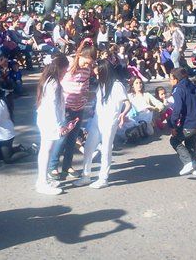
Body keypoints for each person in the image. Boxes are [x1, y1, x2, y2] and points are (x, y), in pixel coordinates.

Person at [74, 60, 130, 189]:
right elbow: (96, 97)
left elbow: (127, 103)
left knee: (106, 149)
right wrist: (84, 94)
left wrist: (123, 114)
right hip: (97, 120)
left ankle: (103, 178)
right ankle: (86, 176)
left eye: (99, 73)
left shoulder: (117, 86)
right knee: (88, 147)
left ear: (105, 71)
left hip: (110, 121)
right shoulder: (102, 84)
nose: (97, 76)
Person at [48, 40, 96, 181]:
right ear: (80, 56)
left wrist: (86, 95)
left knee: (73, 138)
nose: (87, 66)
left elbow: (85, 85)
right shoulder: (68, 63)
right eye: (86, 62)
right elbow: (56, 79)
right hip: (65, 107)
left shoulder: (87, 69)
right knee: (62, 137)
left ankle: (67, 166)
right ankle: (52, 167)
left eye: (89, 64)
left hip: (79, 107)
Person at [35, 54, 70, 195]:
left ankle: (43, 179)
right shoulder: (53, 83)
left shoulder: (49, 80)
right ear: (59, 68)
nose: (65, 73)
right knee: (46, 150)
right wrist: (59, 124)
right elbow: (52, 106)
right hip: (49, 121)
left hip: (47, 119)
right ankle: (42, 182)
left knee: (46, 150)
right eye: (65, 70)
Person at [0, 83, 31, 164]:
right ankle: (19, 148)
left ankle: (30, 151)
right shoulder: (6, 101)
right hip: (3, 133)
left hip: (5, 135)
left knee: (8, 159)